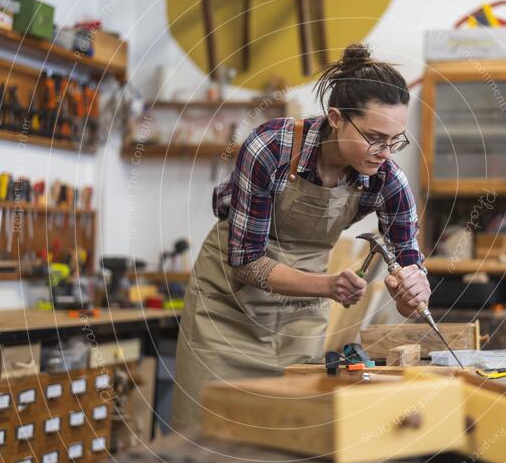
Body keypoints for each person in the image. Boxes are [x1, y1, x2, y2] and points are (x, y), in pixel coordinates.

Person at [171, 43, 431, 430]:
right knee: (208, 433)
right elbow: (246, 262)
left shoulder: (387, 179)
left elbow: (410, 274)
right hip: (226, 308)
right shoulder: (270, 148)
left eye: (396, 140)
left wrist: (414, 289)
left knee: (288, 435)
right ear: (336, 118)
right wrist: (327, 285)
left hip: (299, 315)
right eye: (376, 138)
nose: (386, 153)